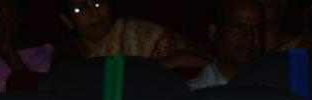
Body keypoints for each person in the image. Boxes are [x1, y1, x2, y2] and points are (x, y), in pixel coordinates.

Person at [58, 0, 209, 69]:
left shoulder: (134, 31)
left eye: (99, 2)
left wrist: (153, 69)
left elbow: (201, 62)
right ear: (67, 21)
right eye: (80, 8)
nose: (94, 12)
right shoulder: (67, 57)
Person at [189, 0, 268, 89]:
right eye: (238, 26)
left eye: (258, 28)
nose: (250, 36)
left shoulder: (278, 90)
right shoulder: (193, 96)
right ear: (213, 32)